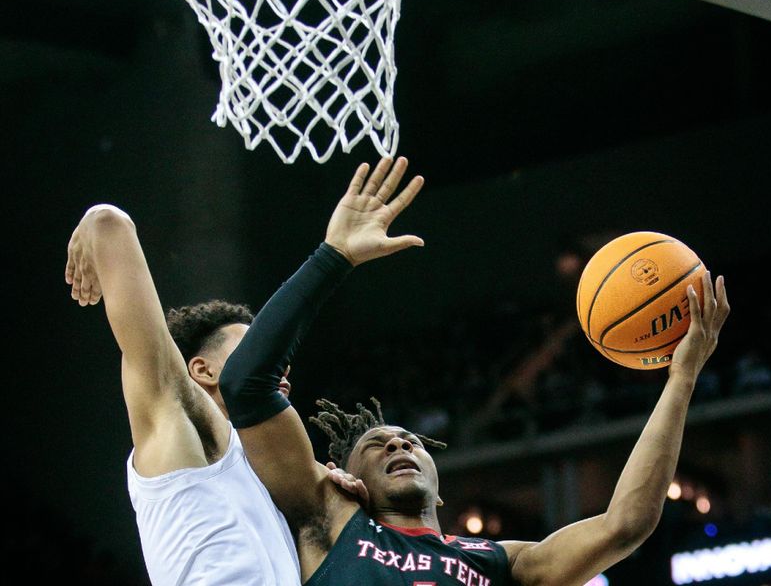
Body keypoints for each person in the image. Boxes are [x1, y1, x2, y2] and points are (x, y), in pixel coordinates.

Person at [216, 158, 730, 585]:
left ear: (440, 488)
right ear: (350, 481)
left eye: (408, 441)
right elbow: (245, 383)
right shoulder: (328, 523)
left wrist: (680, 380)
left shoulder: (497, 562)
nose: (399, 445)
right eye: (378, 445)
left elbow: (625, 526)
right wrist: (333, 258)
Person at [63, 160, 397, 584]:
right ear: (200, 369)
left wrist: (336, 497)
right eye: (248, 346)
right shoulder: (179, 418)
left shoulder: (264, 487)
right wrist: (96, 223)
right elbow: (111, 225)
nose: (274, 359)